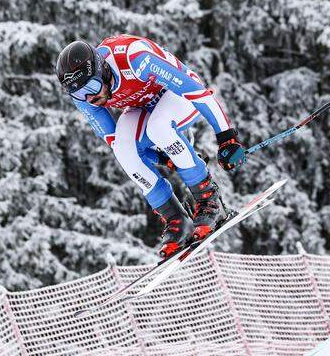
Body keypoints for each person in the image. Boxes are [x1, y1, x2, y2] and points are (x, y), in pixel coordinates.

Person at [55, 34, 246, 258]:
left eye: (93, 86)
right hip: (144, 106)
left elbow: (195, 91)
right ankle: (176, 219)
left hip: (177, 94)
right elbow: (112, 139)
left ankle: (209, 200)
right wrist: (162, 158)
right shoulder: (84, 93)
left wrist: (226, 136)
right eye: (78, 93)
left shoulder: (134, 58)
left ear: (103, 70)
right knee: (122, 148)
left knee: (158, 127)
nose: (89, 97)